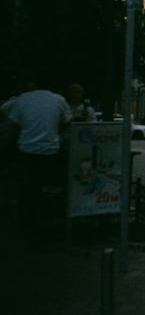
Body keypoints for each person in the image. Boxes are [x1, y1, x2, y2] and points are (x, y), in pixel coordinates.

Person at [6, 80, 73, 237]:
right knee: (47, 188)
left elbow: (13, 127)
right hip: (50, 152)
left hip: (26, 151)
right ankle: (46, 222)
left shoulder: (22, 99)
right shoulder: (58, 100)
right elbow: (67, 122)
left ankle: (26, 224)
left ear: (32, 84)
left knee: (26, 189)